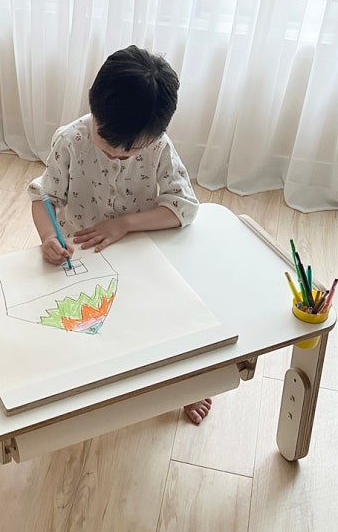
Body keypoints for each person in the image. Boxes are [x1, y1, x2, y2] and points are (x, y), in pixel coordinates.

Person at [27, 45, 212, 425]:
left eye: (128, 154)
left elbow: (184, 208)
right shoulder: (70, 140)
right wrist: (48, 237)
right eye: (107, 145)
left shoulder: (158, 146)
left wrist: (125, 224)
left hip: (140, 249)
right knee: (79, 325)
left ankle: (187, 383)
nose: (116, 156)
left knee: (167, 318)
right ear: (93, 107)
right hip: (81, 253)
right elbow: (44, 198)